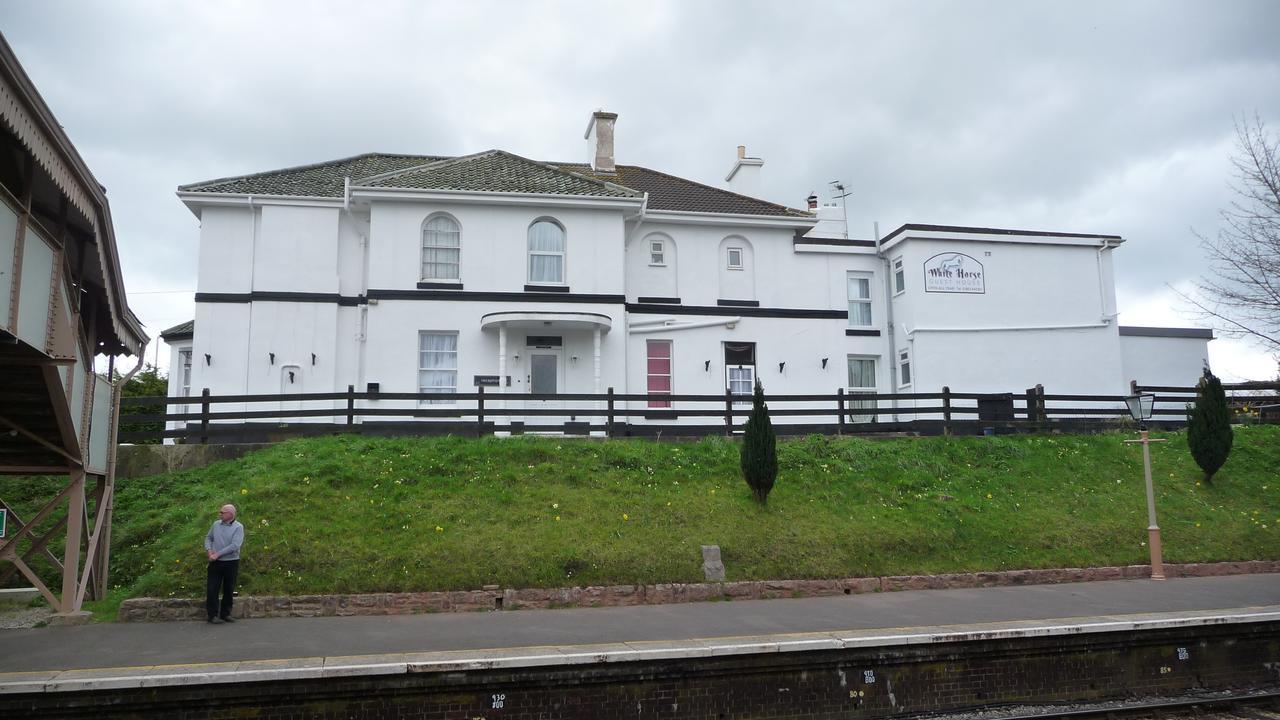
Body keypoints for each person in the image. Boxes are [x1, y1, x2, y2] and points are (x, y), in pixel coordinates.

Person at [204, 503, 244, 624]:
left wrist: (217, 554)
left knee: (228, 589)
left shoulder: (238, 527)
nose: (219, 514)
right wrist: (209, 551)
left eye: (222, 512)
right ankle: (212, 615)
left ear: (230, 514)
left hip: (231, 562)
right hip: (215, 563)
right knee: (212, 588)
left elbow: (235, 545)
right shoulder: (216, 524)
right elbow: (208, 538)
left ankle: (226, 614)